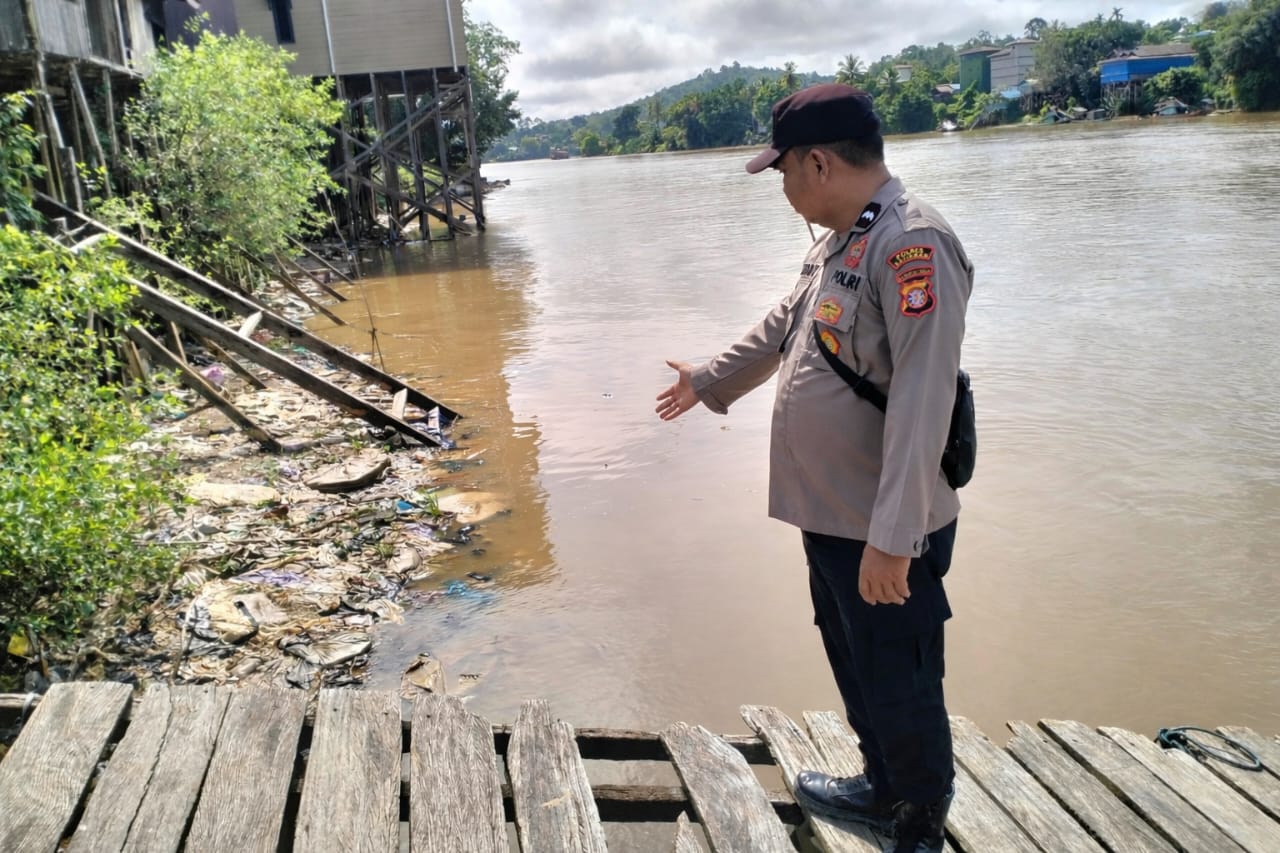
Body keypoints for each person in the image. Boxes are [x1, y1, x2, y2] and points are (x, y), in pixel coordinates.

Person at [655, 83, 973, 853]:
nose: (784, 189)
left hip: (881, 525)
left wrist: (894, 540)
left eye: (785, 172)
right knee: (855, 661)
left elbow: (923, 405)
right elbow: (786, 326)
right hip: (832, 513)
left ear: (820, 162)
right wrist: (708, 379)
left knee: (902, 677)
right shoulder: (842, 238)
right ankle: (881, 783)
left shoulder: (912, 245)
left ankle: (921, 823)